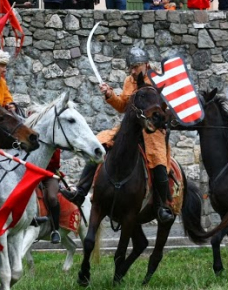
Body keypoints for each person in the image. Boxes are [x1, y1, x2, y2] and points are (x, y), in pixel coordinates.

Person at [67, 48, 175, 224]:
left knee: (158, 160)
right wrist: (110, 95)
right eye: (131, 67)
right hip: (129, 128)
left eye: (136, 66)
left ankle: (162, 206)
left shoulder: (157, 80)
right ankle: (81, 190)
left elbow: (167, 108)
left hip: (152, 131)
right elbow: (123, 106)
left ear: (146, 64)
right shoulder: (128, 81)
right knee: (100, 143)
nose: (133, 71)